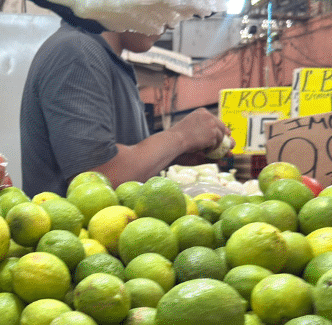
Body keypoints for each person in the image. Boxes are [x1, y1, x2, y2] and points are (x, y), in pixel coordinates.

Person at [19, 21, 230, 196]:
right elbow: (97, 179)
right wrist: (181, 137)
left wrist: (173, 155)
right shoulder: (77, 52)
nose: (171, 23)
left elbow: (121, 159)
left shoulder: (104, 59)